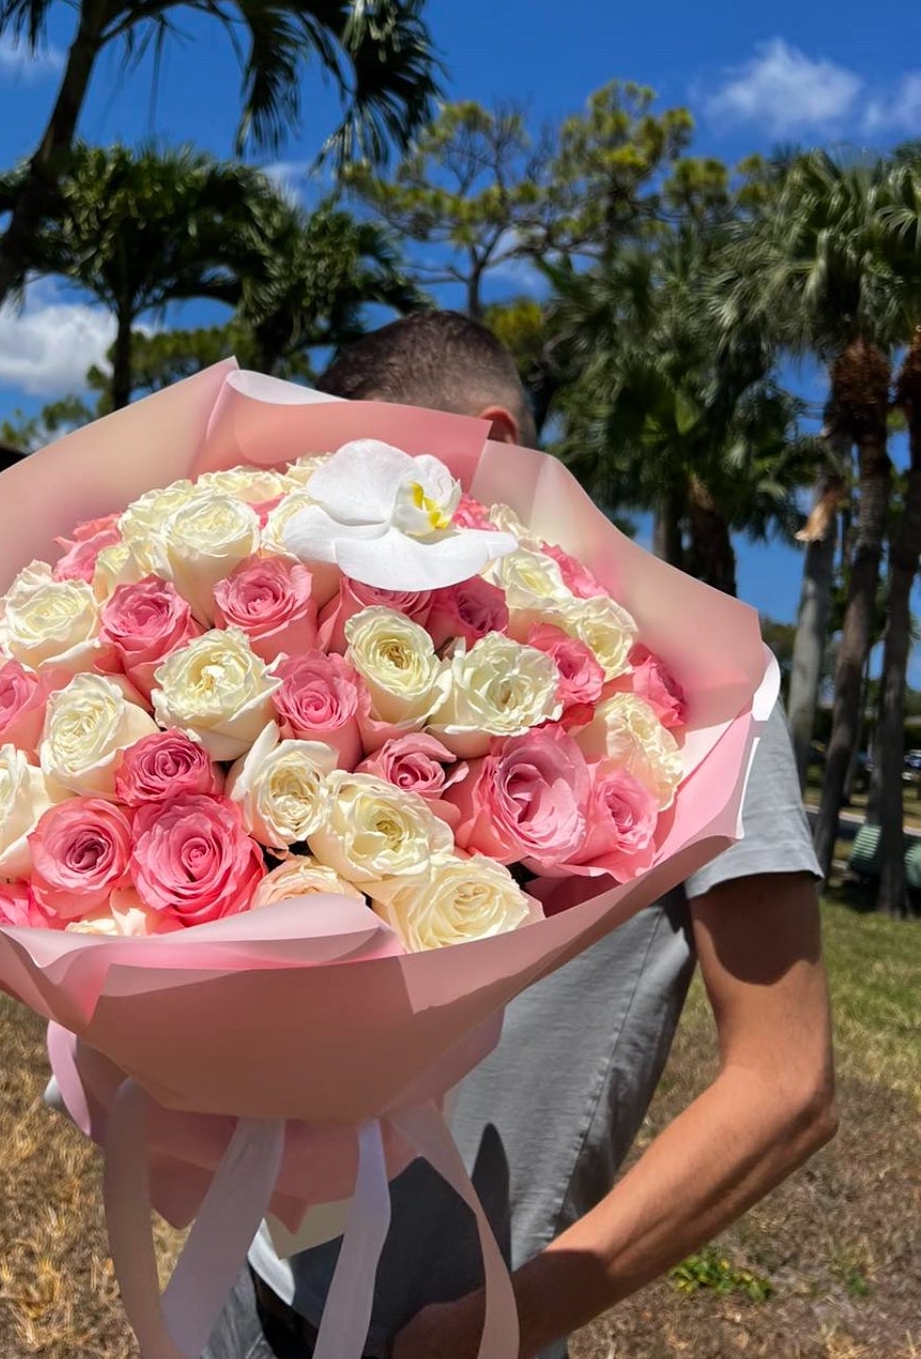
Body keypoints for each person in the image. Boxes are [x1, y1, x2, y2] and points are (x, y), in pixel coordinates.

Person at [200, 310, 836, 1359]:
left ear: (483, 444)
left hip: (445, 1333)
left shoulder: (706, 676)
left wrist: (508, 1319)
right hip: (244, 1277)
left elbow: (787, 1080)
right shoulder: (353, 631)